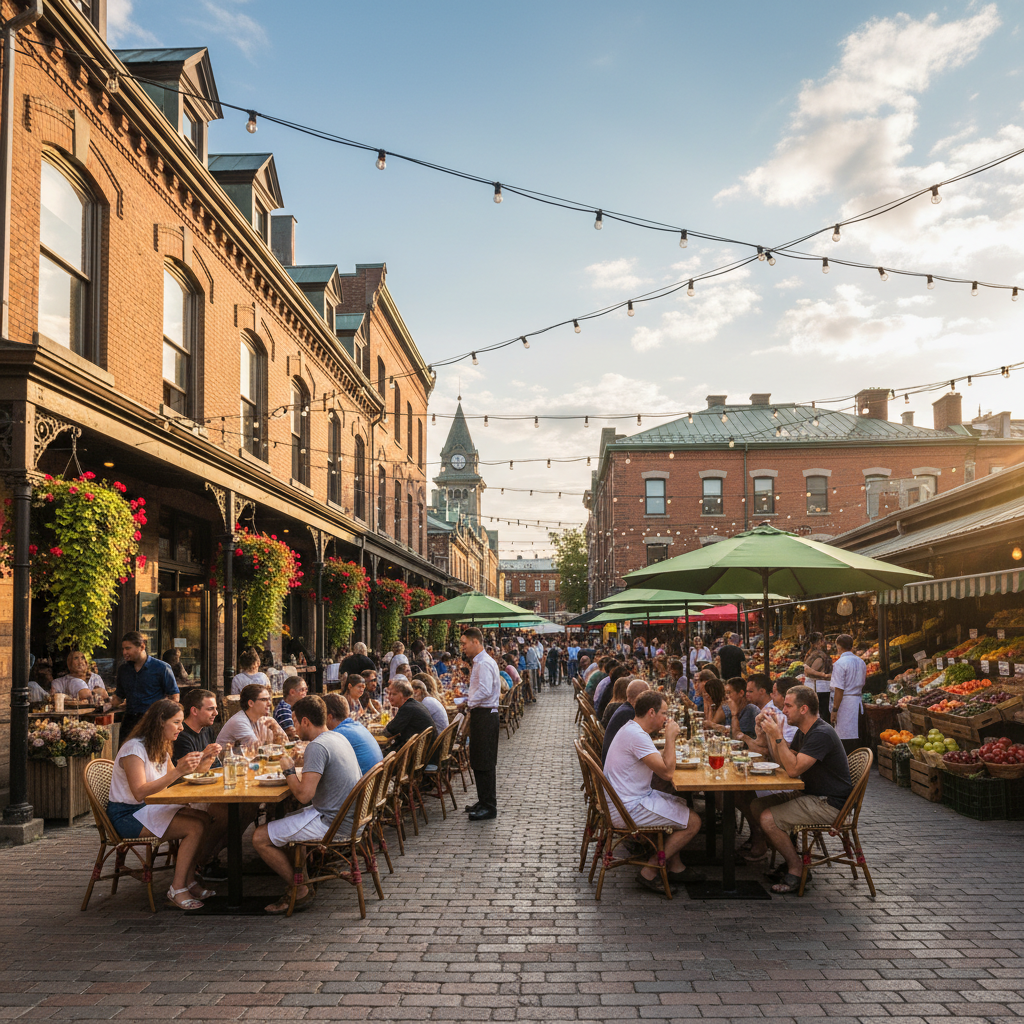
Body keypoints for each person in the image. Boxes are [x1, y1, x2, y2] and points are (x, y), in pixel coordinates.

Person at [252, 695, 363, 914]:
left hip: (334, 823)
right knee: (287, 820)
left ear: (305, 721)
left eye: (294, 721)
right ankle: (301, 876)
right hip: (350, 817)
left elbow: (303, 795)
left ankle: (300, 888)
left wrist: (288, 769)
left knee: (259, 837)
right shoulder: (336, 737)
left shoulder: (318, 746)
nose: (293, 727)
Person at [106, 699, 216, 909]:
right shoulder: (134, 749)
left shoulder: (160, 747)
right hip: (129, 815)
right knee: (195, 827)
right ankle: (177, 888)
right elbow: (139, 793)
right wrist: (178, 770)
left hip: (149, 809)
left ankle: (190, 880)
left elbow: (170, 784)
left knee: (203, 817)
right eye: (176, 722)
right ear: (160, 722)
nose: (181, 728)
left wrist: (202, 765)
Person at [751, 685, 853, 894]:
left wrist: (777, 735)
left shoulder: (821, 733)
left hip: (829, 803)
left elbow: (793, 769)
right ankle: (791, 858)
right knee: (757, 805)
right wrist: (769, 735)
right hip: (812, 795)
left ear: (804, 709)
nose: (783, 710)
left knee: (768, 819)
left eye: (788, 706)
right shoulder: (804, 731)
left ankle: (796, 867)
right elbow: (783, 762)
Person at [603, 691, 703, 892]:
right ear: (651, 712)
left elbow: (658, 762)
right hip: (627, 809)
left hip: (623, 802)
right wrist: (670, 738)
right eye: (664, 713)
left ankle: (676, 867)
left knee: (680, 804)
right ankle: (650, 871)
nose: (666, 718)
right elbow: (667, 772)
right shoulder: (637, 736)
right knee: (693, 822)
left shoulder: (632, 730)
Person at [462, 627, 501, 821]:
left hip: (485, 715)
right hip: (482, 714)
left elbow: (485, 691)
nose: (463, 648)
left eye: (464, 643)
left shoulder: (484, 663)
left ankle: (489, 805)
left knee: (485, 761)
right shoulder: (480, 662)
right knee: (478, 759)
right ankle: (483, 800)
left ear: (475, 642)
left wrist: (467, 702)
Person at [112, 631, 179, 741]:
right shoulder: (123, 670)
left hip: (152, 721)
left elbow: (174, 697)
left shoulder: (162, 668)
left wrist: (168, 720)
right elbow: (119, 697)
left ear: (142, 646)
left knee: (151, 756)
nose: (124, 652)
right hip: (129, 721)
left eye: (128, 648)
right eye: (123, 649)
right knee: (124, 754)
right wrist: (103, 702)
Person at [216, 683, 288, 751]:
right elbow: (257, 750)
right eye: (264, 700)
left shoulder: (267, 721)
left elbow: (286, 747)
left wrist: (276, 729)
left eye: (269, 699)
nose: (269, 703)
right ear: (251, 703)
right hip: (227, 763)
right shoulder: (239, 721)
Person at [324, 693, 383, 775]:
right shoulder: (357, 725)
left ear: (329, 717)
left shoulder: (338, 734)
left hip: (361, 785)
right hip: (375, 783)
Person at [829, 634, 867, 754]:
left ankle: (846, 766)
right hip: (857, 701)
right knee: (856, 737)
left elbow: (839, 689)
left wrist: (834, 710)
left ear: (838, 646)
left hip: (845, 704)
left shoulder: (840, 664)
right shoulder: (861, 662)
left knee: (844, 739)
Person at [381, 676, 436, 754]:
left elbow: (388, 732)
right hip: (424, 753)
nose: (390, 697)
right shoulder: (414, 704)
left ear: (403, 696)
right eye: (389, 694)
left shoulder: (407, 708)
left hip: (418, 756)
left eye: (394, 694)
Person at [601, 680, 649, 763]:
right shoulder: (628, 714)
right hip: (618, 767)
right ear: (641, 696)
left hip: (615, 762)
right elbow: (641, 741)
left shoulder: (625, 708)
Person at [802, 632, 832, 708]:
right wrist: (825, 675)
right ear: (820, 641)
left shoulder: (810, 653)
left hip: (816, 689)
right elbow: (808, 671)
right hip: (820, 690)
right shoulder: (819, 655)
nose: (825, 642)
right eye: (823, 640)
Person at [273, 676, 307, 741]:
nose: (305, 693)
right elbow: (292, 733)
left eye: (306, 690)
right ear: (292, 692)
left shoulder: (294, 707)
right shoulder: (284, 708)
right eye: (302, 690)